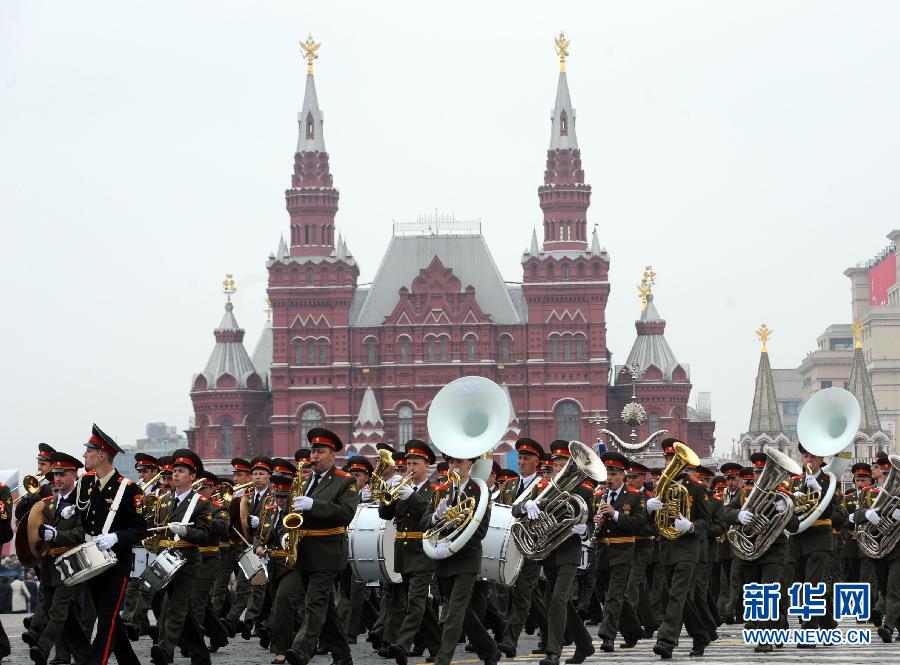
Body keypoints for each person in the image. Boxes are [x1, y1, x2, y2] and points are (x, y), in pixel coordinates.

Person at [282, 428, 359, 665]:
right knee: (326, 608)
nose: (314, 456)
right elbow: (290, 512)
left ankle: (300, 650)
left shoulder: (345, 481)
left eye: (320, 452)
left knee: (314, 603)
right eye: (313, 451)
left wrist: (314, 504)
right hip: (304, 551)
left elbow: (346, 513)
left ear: (332, 455)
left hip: (328, 552)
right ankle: (343, 656)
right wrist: (287, 534)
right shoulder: (303, 481)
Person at [73, 423, 147, 665]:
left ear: (102, 455)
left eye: (89, 451)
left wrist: (116, 537)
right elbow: (83, 517)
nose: (84, 455)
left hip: (117, 564)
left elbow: (140, 528)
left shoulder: (129, 488)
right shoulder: (85, 483)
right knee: (110, 618)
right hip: (92, 562)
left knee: (107, 618)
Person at [421, 453, 499, 665]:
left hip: (466, 557)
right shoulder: (441, 491)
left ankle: (443, 659)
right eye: (452, 462)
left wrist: (454, 539)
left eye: (460, 462)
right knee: (461, 609)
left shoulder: (480, 490)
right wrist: (437, 517)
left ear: (470, 464)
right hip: (443, 558)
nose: (455, 466)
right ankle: (490, 651)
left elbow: (480, 530)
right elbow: (424, 523)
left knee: (454, 611)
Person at [23, 451, 92, 665]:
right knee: (51, 604)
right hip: (49, 562)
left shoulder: (83, 503)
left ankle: (42, 646)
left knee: (59, 609)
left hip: (71, 562)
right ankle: (79, 655)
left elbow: (82, 534)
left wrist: (58, 536)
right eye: (56, 474)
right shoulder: (49, 503)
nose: (58, 479)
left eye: (63, 474)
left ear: (74, 475)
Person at [646, 438, 712, 659]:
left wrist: (691, 526)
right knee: (674, 596)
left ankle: (666, 640)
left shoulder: (696, 487)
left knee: (676, 594)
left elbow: (707, 521)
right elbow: (653, 523)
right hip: (666, 548)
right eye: (667, 457)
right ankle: (701, 634)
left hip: (688, 549)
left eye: (672, 458)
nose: (669, 462)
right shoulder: (660, 487)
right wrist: (649, 508)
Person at [149, 448, 214, 665]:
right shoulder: (165, 501)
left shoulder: (201, 503)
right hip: (166, 557)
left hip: (186, 559)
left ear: (193, 476)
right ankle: (200, 653)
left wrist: (187, 532)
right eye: (174, 470)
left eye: (181, 471)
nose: (175, 475)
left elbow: (205, 535)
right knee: (169, 607)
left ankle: (164, 650)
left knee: (176, 607)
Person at [383, 440, 441, 665]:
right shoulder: (402, 489)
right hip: (403, 552)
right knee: (419, 604)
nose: (410, 468)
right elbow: (385, 515)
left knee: (416, 601)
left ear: (427, 465)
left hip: (423, 551)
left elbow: (433, 514)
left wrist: (411, 496)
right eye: (408, 464)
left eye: (415, 463)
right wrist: (390, 494)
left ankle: (402, 644)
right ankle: (438, 646)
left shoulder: (434, 490)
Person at [497, 438, 547, 658]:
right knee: (531, 597)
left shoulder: (544, 486)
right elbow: (502, 511)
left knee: (522, 596)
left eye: (527, 457)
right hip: (509, 547)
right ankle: (551, 632)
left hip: (531, 549)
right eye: (520, 457)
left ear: (537, 460)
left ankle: (509, 640)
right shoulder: (508, 486)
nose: (522, 461)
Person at [594, 450, 645, 653]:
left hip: (623, 551)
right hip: (603, 551)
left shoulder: (634, 496)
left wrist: (615, 514)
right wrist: (595, 520)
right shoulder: (600, 495)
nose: (609, 478)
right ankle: (633, 631)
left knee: (614, 595)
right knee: (611, 595)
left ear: (623, 475)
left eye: (614, 474)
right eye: (607, 473)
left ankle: (607, 636)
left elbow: (639, 524)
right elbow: (593, 521)